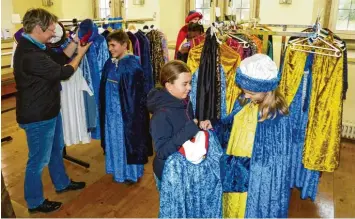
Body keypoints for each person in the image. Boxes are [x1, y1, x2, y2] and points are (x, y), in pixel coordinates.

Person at [13, 8, 91, 213]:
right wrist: (80, 54)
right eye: (50, 29)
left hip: (48, 110)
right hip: (37, 116)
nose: (52, 34)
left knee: (56, 150)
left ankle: (62, 183)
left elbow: (59, 59)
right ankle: (35, 201)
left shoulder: (35, 45)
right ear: (38, 28)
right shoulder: (30, 54)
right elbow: (64, 72)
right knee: (38, 161)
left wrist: (75, 40)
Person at [218, 54, 292, 218]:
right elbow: (230, 123)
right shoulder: (245, 100)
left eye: (251, 92)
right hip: (235, 170)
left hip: (254, 181)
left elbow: (272, 167)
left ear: (266, 90)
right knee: (232, 206)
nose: (246, 95)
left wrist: (243, 167)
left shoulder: (276, 118)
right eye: (245, 91)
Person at [147, 60, 212, 189]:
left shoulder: (185, 102)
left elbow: (184, 129)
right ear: (169, 86)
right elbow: (162, 152)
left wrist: (200, 126)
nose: (190, 88)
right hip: (169, 174)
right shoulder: (161, 115)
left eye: (190, 83)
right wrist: (190, 130)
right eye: (185, 84)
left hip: (184, 169)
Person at [99, 30, 152, 184]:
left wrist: (128, 113)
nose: (110, 49)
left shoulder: (132, 65)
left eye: (113, 45)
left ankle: (131, 173)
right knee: (114, 139)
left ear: (124, 45)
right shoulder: (109, 62)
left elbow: (135, 97)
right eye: (109, 45)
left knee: (127, 141)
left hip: (126, 114)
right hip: (111, 112)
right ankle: (117, 169)